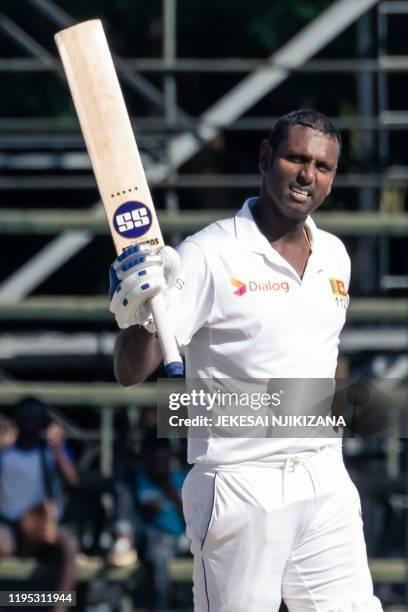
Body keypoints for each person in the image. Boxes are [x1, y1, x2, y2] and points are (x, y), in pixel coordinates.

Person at [109, 110, 382, 611]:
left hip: (324, 476)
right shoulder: (209, 253)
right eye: (296, 158)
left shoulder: (335, 256)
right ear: (265, 158)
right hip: (240, 484)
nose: (307, 175)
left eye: (322, 166)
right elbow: (130, 371)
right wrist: (140, 311)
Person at [0, 397, 77, 610]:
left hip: (42, 529)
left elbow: (72, 479)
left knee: (69, 545)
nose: (30, 424)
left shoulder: (49, 452)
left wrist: (58, 448)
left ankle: (60, 607)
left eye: (35, 418)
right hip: (8, 526)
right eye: (25, 418)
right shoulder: (6, 453)